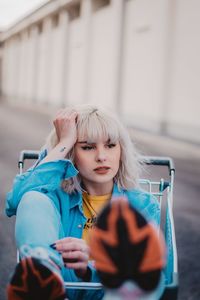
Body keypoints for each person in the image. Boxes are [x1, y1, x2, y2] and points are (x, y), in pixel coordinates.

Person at [6, 104, 166, 300]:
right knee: (32, 198)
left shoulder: (142, 205)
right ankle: (42, 272)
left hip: (111, 295)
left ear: (121, 150)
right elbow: (15, 201)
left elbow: (154, 275)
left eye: (110, 145)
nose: (101, 156)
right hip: (60, 291)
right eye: (88, 147)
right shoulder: (53, 198)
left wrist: (90, 267)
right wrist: (64, 142)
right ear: (71, 153)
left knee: (136, 269)